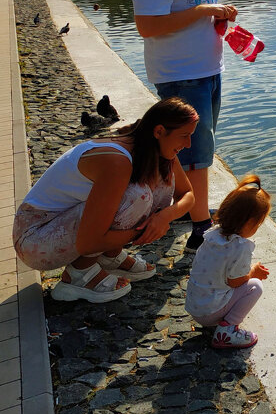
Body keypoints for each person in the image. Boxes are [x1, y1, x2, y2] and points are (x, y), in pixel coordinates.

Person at [13, 98, 197, 303]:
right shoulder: (117, 161)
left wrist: (164, 217)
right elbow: (88, 242)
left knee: (162, 181)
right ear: (159, 131)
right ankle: (79, 275)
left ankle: (109, 257)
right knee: (137, 196)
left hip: (58, 227)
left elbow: (188, 194)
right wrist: (145, 232)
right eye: (185, 136)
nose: (188, 144)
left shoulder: (155, 149)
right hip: (35, 240)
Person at [131, 0, 237, 251]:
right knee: (195, 150)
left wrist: (219, 15)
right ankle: (200, 229)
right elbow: (148, 27)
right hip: (180, 75)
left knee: (195, 149)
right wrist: (204, 11)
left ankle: (185, 208)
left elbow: (200, 7)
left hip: (208, 68)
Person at [185, 174, 271, 349]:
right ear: (249, 223)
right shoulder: (240, 247)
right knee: (255, 287)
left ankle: (221, 322)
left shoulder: (212, 235)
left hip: (196, 307)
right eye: (258, 224)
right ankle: (228, 331)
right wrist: (253, 272)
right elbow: (235, 281)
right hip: (209, 313)